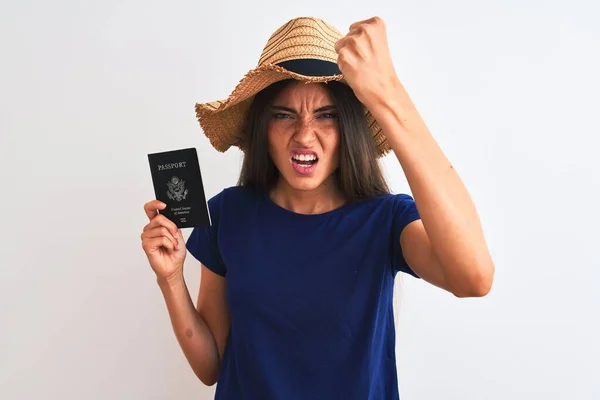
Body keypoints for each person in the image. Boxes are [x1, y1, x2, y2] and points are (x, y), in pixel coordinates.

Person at [141, 16, 494, 399]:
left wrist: (388, 95)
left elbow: (473, 278)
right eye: (284, 115)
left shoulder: (387, 220)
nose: (304, 135)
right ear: (262, 126)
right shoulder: (229, 213)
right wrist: (171, 280)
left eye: (327, 115)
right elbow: (211, 367)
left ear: (350, 129)